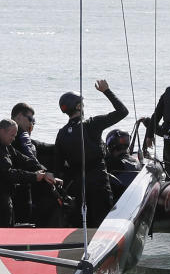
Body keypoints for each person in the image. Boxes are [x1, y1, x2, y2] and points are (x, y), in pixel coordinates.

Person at [53, 79, 128, 227]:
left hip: (78, 185)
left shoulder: (61, 134)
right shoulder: (91, 124)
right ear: (79, 106)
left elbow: (58, 166)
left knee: (82, 223)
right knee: (102, 221)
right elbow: (123, 112)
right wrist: (107, 91)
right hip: (98, 181)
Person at [0, 119, 59, 227]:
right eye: (12, 135)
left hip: (6, 196)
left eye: (15, 135)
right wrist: (34, 176)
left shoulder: (6, 145)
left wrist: (46, 173)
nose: (13, 138)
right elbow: (9, 174)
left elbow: (24, 159)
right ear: (2, 131)